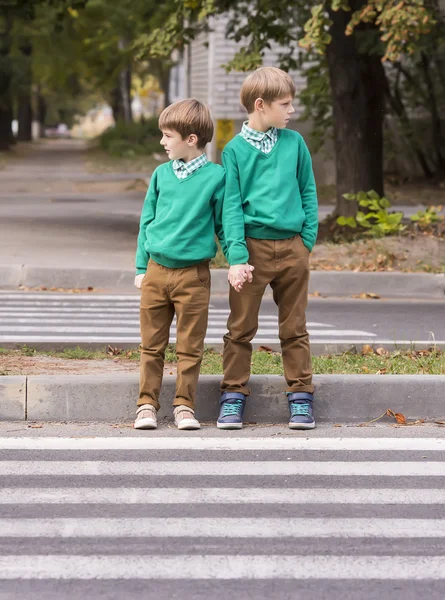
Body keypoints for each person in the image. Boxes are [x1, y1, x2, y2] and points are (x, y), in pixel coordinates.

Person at [134, 98, 252, 431]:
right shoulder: (160, 175)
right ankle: (146, 405)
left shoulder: (217, 177)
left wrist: (237, 260)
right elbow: (147, 222)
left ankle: (185, 406)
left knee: (190, 346)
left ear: (191, 139)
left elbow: (225, 223)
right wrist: (141, 268)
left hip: (193, 276)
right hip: (156, 271)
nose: (162, 142)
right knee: (151, 345)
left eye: (167, 136)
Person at [218, 66, 318, 431]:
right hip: (252, 251)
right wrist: (237, 256)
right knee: (240, 328)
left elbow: (308, 190)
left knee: (295, 328)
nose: (292, 111)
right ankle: (232, 396)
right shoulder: (234, 151)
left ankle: (302, 396)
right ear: (261, 105)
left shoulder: (294, 143)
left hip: (293, 248)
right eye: (286, 104)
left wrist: (306, 241)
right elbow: (230, 205)